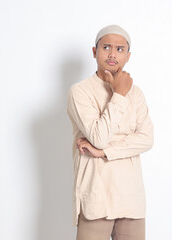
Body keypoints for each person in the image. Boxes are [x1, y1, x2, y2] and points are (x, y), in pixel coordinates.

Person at [67, 24, 154, 240]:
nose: (113, 54)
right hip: (96, 197)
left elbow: (147, 139)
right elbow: (99, 136)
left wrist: (103, 152)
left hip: (130, 199)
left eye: (120, 49)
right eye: (106, 47)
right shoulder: (80, 91)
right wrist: (120, 94)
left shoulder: (137, 94)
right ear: (95, 52)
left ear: (128, 56)